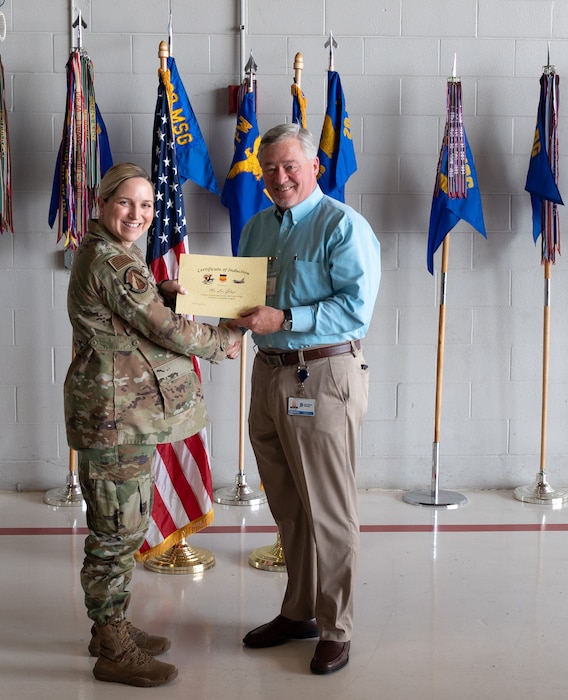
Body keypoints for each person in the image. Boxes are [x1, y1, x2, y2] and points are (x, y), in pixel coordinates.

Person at [64, 163, 242, 687]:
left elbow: (138, 315)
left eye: (146, 205)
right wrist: (224, 339)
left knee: (126, 524)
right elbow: (163, 329)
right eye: (125, 203)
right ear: (102, 204)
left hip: (123, 414)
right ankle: (111, 643)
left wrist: (160, 291)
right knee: (116, 533)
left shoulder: (115, 257)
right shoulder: (113, 263)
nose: (138, 214)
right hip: (114, 418)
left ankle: (109, 627)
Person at [232, 123, 380, 675]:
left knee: (330, 511)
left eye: (290, 166)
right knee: (289, 508)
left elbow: (356, 308)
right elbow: (245, 300)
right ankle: (299, 611)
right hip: (268, 375)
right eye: (269, 169)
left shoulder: (343, 226)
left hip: (320, 376)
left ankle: (337, 627)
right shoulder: (255, 230)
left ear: (314, 165)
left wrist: (287, 318)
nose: (279, 178)